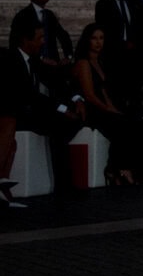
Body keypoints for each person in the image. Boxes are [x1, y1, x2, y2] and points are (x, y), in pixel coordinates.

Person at [3, 16, 86, 205]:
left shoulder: (33, 60)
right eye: (40, 38)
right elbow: (27, 94)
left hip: (33, 109)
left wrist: (76, 99)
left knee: (67, 123)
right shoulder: (11, 60)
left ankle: (65, 184)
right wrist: (62, 108)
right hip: (17, 113)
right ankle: (64, 185)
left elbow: (54, 79)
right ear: (26, 40)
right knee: (60, 124)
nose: (43, 43)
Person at [73, 23, 143, 186]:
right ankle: (116, 168)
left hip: (105, 107)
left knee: (140, 123)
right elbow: (90, 95)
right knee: (121, 125)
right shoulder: (84, 63)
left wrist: (113, 108)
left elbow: (104, 91)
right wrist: (108, 109)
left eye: (101, 38)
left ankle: (131, 167)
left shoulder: (100, 62)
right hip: (93, 109)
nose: (98, 42)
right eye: (94, 38)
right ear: (87, 40)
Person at [93, 0, 143, 109]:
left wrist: (135, 43)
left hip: (134, 51)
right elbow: (102, 28)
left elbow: (141, 24)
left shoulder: (134, 1)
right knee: (115, 86)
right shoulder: (103, 4)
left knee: (134, 86)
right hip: (114, 52)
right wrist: (120, 44)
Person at [12, 0, 73, 89]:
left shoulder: (49, 15)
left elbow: (63, 35)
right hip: (33, 65)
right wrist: (40, 58)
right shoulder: (22, 15)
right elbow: (15, 42)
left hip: (53, 64)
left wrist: (68, 56)